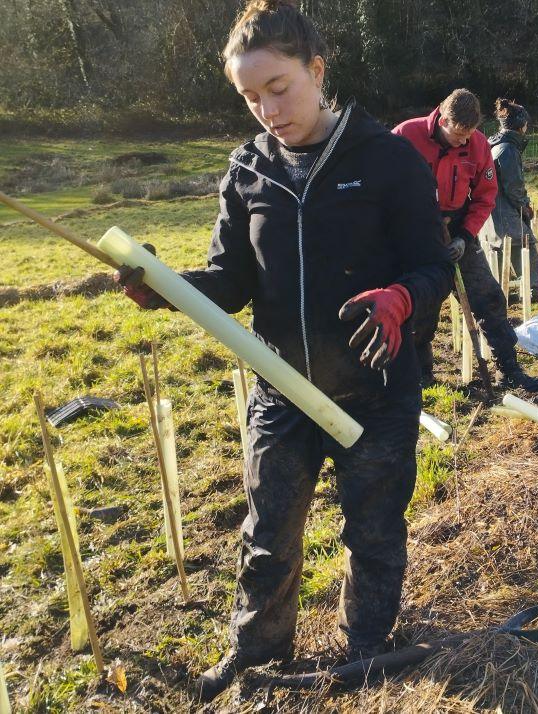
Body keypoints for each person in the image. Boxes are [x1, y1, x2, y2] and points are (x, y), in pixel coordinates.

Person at [114, 0, 453, 702]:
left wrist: (402, 300)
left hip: (377, 392)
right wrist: (167, 285)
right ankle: (258, 653)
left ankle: (366, 651)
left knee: (375, 533)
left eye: (279, 89)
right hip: (281, 392)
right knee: (267, 535)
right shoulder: (247, 172)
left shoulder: (386, 159)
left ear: (317, 70)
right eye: (249, 97)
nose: (267, 110)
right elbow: (231, 283)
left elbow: (432, 266)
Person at [393, 89, 538, 396]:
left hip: (458, 230)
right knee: (421, 310)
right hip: (414, 235)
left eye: (468, 134)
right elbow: (381, 187)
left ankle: (509, 370)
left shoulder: (479, 144)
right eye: (457, 134)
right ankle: (422, 377)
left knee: (490, 298)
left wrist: (465, 236)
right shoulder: (405, 135)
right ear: (442, 119)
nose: (462, 141)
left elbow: (485, 196)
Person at [488, 98, 538, 291]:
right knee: (526, 244)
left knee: (500, 249)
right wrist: (524, 206)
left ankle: (500, 290)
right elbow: (514, 186)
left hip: (493, 209)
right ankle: (533, 289)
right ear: (521, 125)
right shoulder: (508, 149)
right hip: (504, 208)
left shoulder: (495, 144)